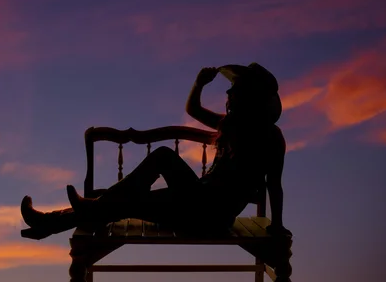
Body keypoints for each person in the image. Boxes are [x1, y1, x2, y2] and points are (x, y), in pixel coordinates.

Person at [20, 63, 292, 240]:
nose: (228, 93)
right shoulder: (232, 125)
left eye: (235, 89)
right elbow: (194, 110)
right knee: (123, 200)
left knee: (155, 165)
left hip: (210, 215)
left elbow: (274, 185)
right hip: (194, 201)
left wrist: (277, 226)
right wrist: (199, 84)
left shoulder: (270, 138)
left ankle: (64, 217)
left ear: (249, 97)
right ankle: (48, 223)